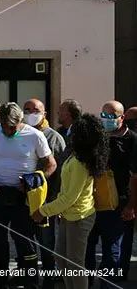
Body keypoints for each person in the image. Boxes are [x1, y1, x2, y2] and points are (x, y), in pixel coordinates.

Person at [0, 102, 57, 289]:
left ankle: (30, 281)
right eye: (3, 126)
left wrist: (35, 179)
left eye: (11, 127)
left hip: (23, 195)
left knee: (24, 240)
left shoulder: (35, 135)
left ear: (20, 121)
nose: (7, 131)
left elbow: (51, 164)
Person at [32, 113, 107, 289]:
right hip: (68, 216)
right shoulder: (76, 156)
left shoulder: (81, 163)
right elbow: (65, 192)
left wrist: (43, 211)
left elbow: (70, 197)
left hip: (79, 218)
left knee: (75, 263)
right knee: (61, 257)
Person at [85, 100, 136, 287]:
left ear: (122, 118)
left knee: (111, 250)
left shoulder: (132, 140)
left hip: (118, 205)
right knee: (88, 248)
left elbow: (135, 176)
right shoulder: (97, 139)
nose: (106, 119)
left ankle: (108, 284)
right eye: (103, 115)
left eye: (111, 116)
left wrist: (131, 205)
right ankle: (87, 283)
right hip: (91, 203)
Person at [23, 98, 67, 289]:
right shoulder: (22, 134)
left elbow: (61, 172)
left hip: (46, 200)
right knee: (25, 240)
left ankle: (49, 278)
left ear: (44, 114)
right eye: (27, 110)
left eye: (36, 110)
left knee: (46, 242)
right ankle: (29, 277)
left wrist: (56, 198)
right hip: (24, 199)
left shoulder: (54, 138)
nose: (31, 114)